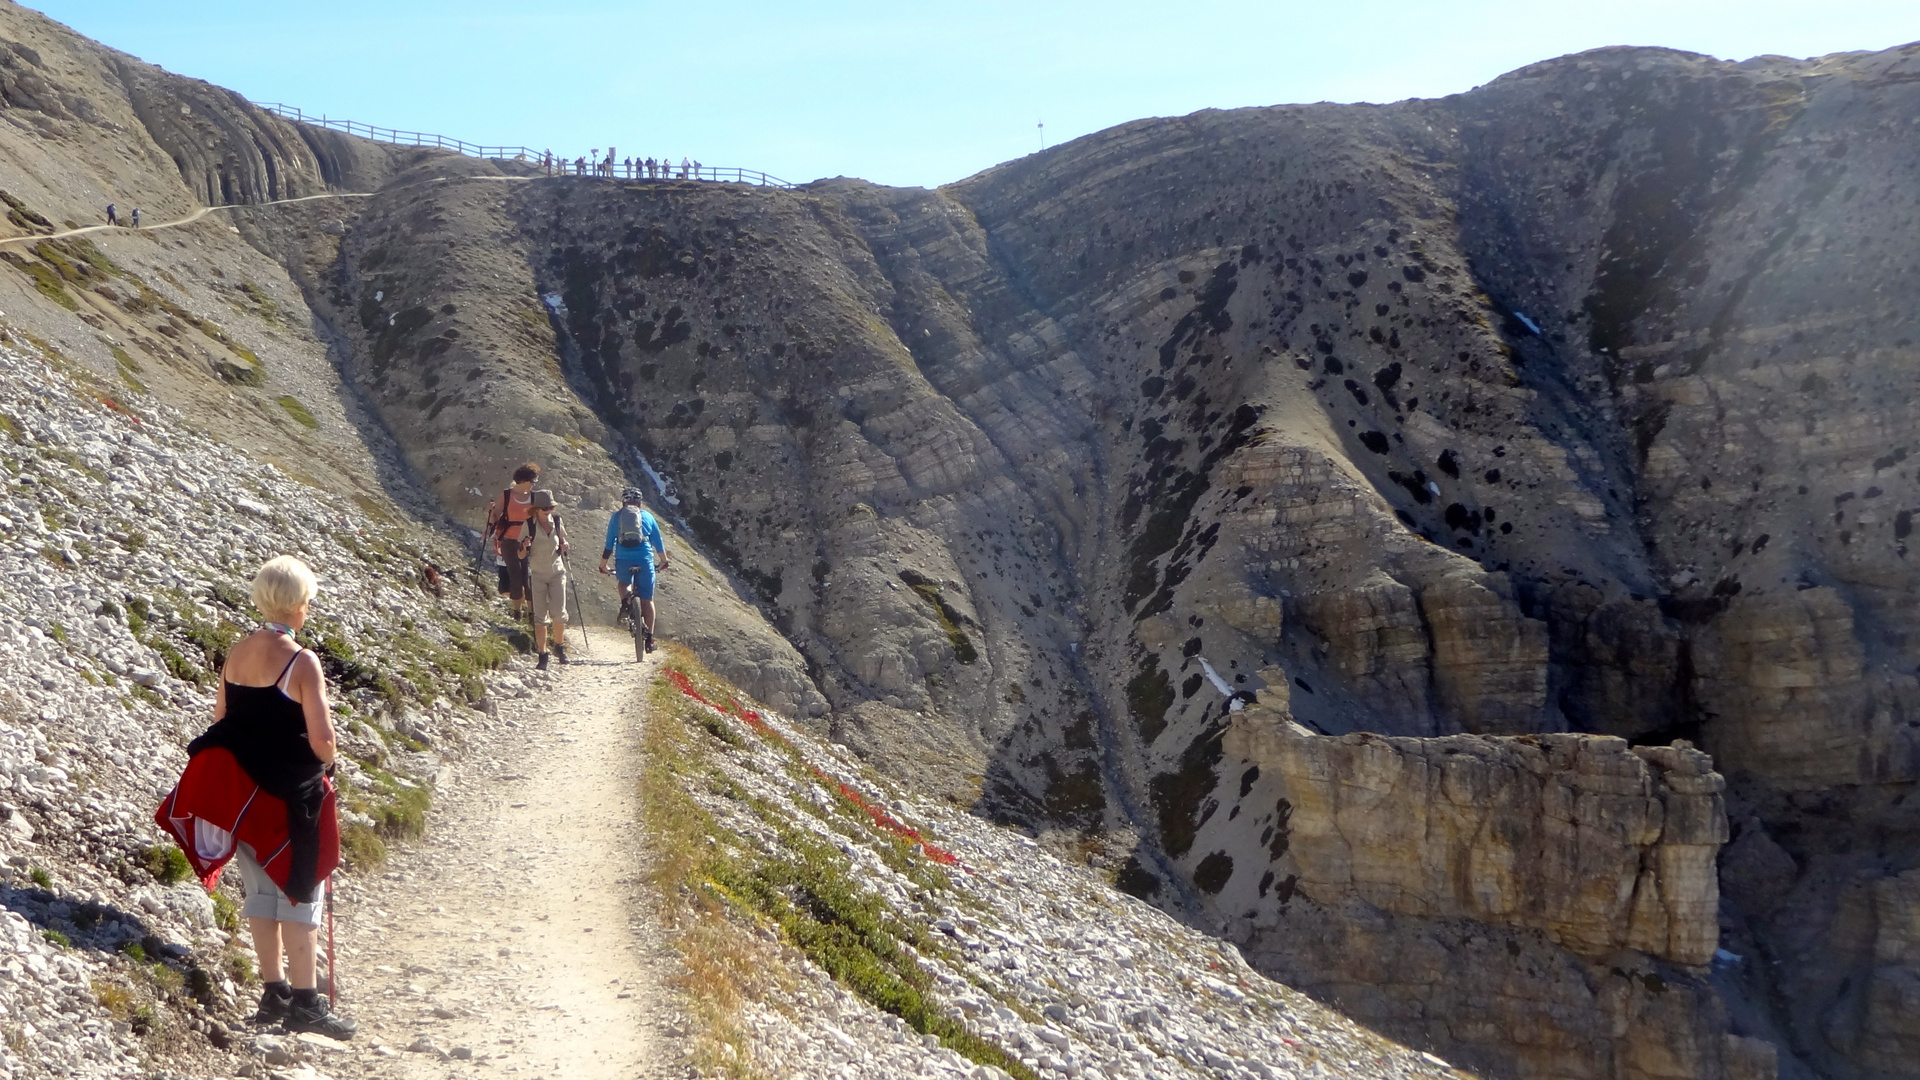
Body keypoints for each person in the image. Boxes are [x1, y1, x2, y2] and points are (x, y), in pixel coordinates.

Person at [155, 556, 356, 1039]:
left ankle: (274, 992)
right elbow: (323, 740)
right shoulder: (301, 661)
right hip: (291, 796)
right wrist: (329, 763)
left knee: (261, 895)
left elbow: (223, 717)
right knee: (301, 892)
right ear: (298, 605)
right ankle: (308, 1004)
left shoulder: (236, 653)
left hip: (243, 796)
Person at [599, 487, 671, 653]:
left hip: (623, 559)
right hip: (644, 559)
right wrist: (664, 561)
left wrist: (603, 565)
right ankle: (650, 639)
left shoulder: (616, 517)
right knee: (648, 600)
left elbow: (609, 544)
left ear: (623, 502)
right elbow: (658, 543)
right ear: (640, 503)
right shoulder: (648, 517)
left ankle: (626, 601)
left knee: (623, 582)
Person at [518, 490, 571, 670]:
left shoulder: (557, 521)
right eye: (545, 507)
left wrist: (565, 546)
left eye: (550, 507)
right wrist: (524, 546)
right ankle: (543, 654)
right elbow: (520, 553)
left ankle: (559, 646)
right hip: (538, 575)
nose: (548, 510)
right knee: (540, 616)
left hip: (557, 572)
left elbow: (563, 542)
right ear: (536, 509)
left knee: (559, 612)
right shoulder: (528, 525)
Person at [485, 463, 540, 622]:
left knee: (529, 578)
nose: (534, 484)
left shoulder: (535, 497)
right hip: (508, 541)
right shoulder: (506, 495)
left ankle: (531, 614)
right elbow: (495, 516)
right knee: (515, 578)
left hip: (528, 541)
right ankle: (518, 612)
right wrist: (490, 510)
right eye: (533, 481)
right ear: (524, 480)